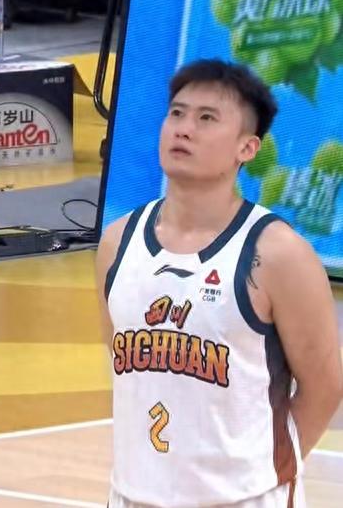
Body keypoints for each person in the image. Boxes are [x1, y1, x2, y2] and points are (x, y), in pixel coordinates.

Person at [96, 58, 343, 507]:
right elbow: (122, 362)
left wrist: (264, 476)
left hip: (243, 498)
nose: (184, 129)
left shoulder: (279, 254)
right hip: (133, 495)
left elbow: (325, 385)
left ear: (247, 148)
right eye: (177, 113)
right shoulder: (117, 242)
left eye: (206, 118)